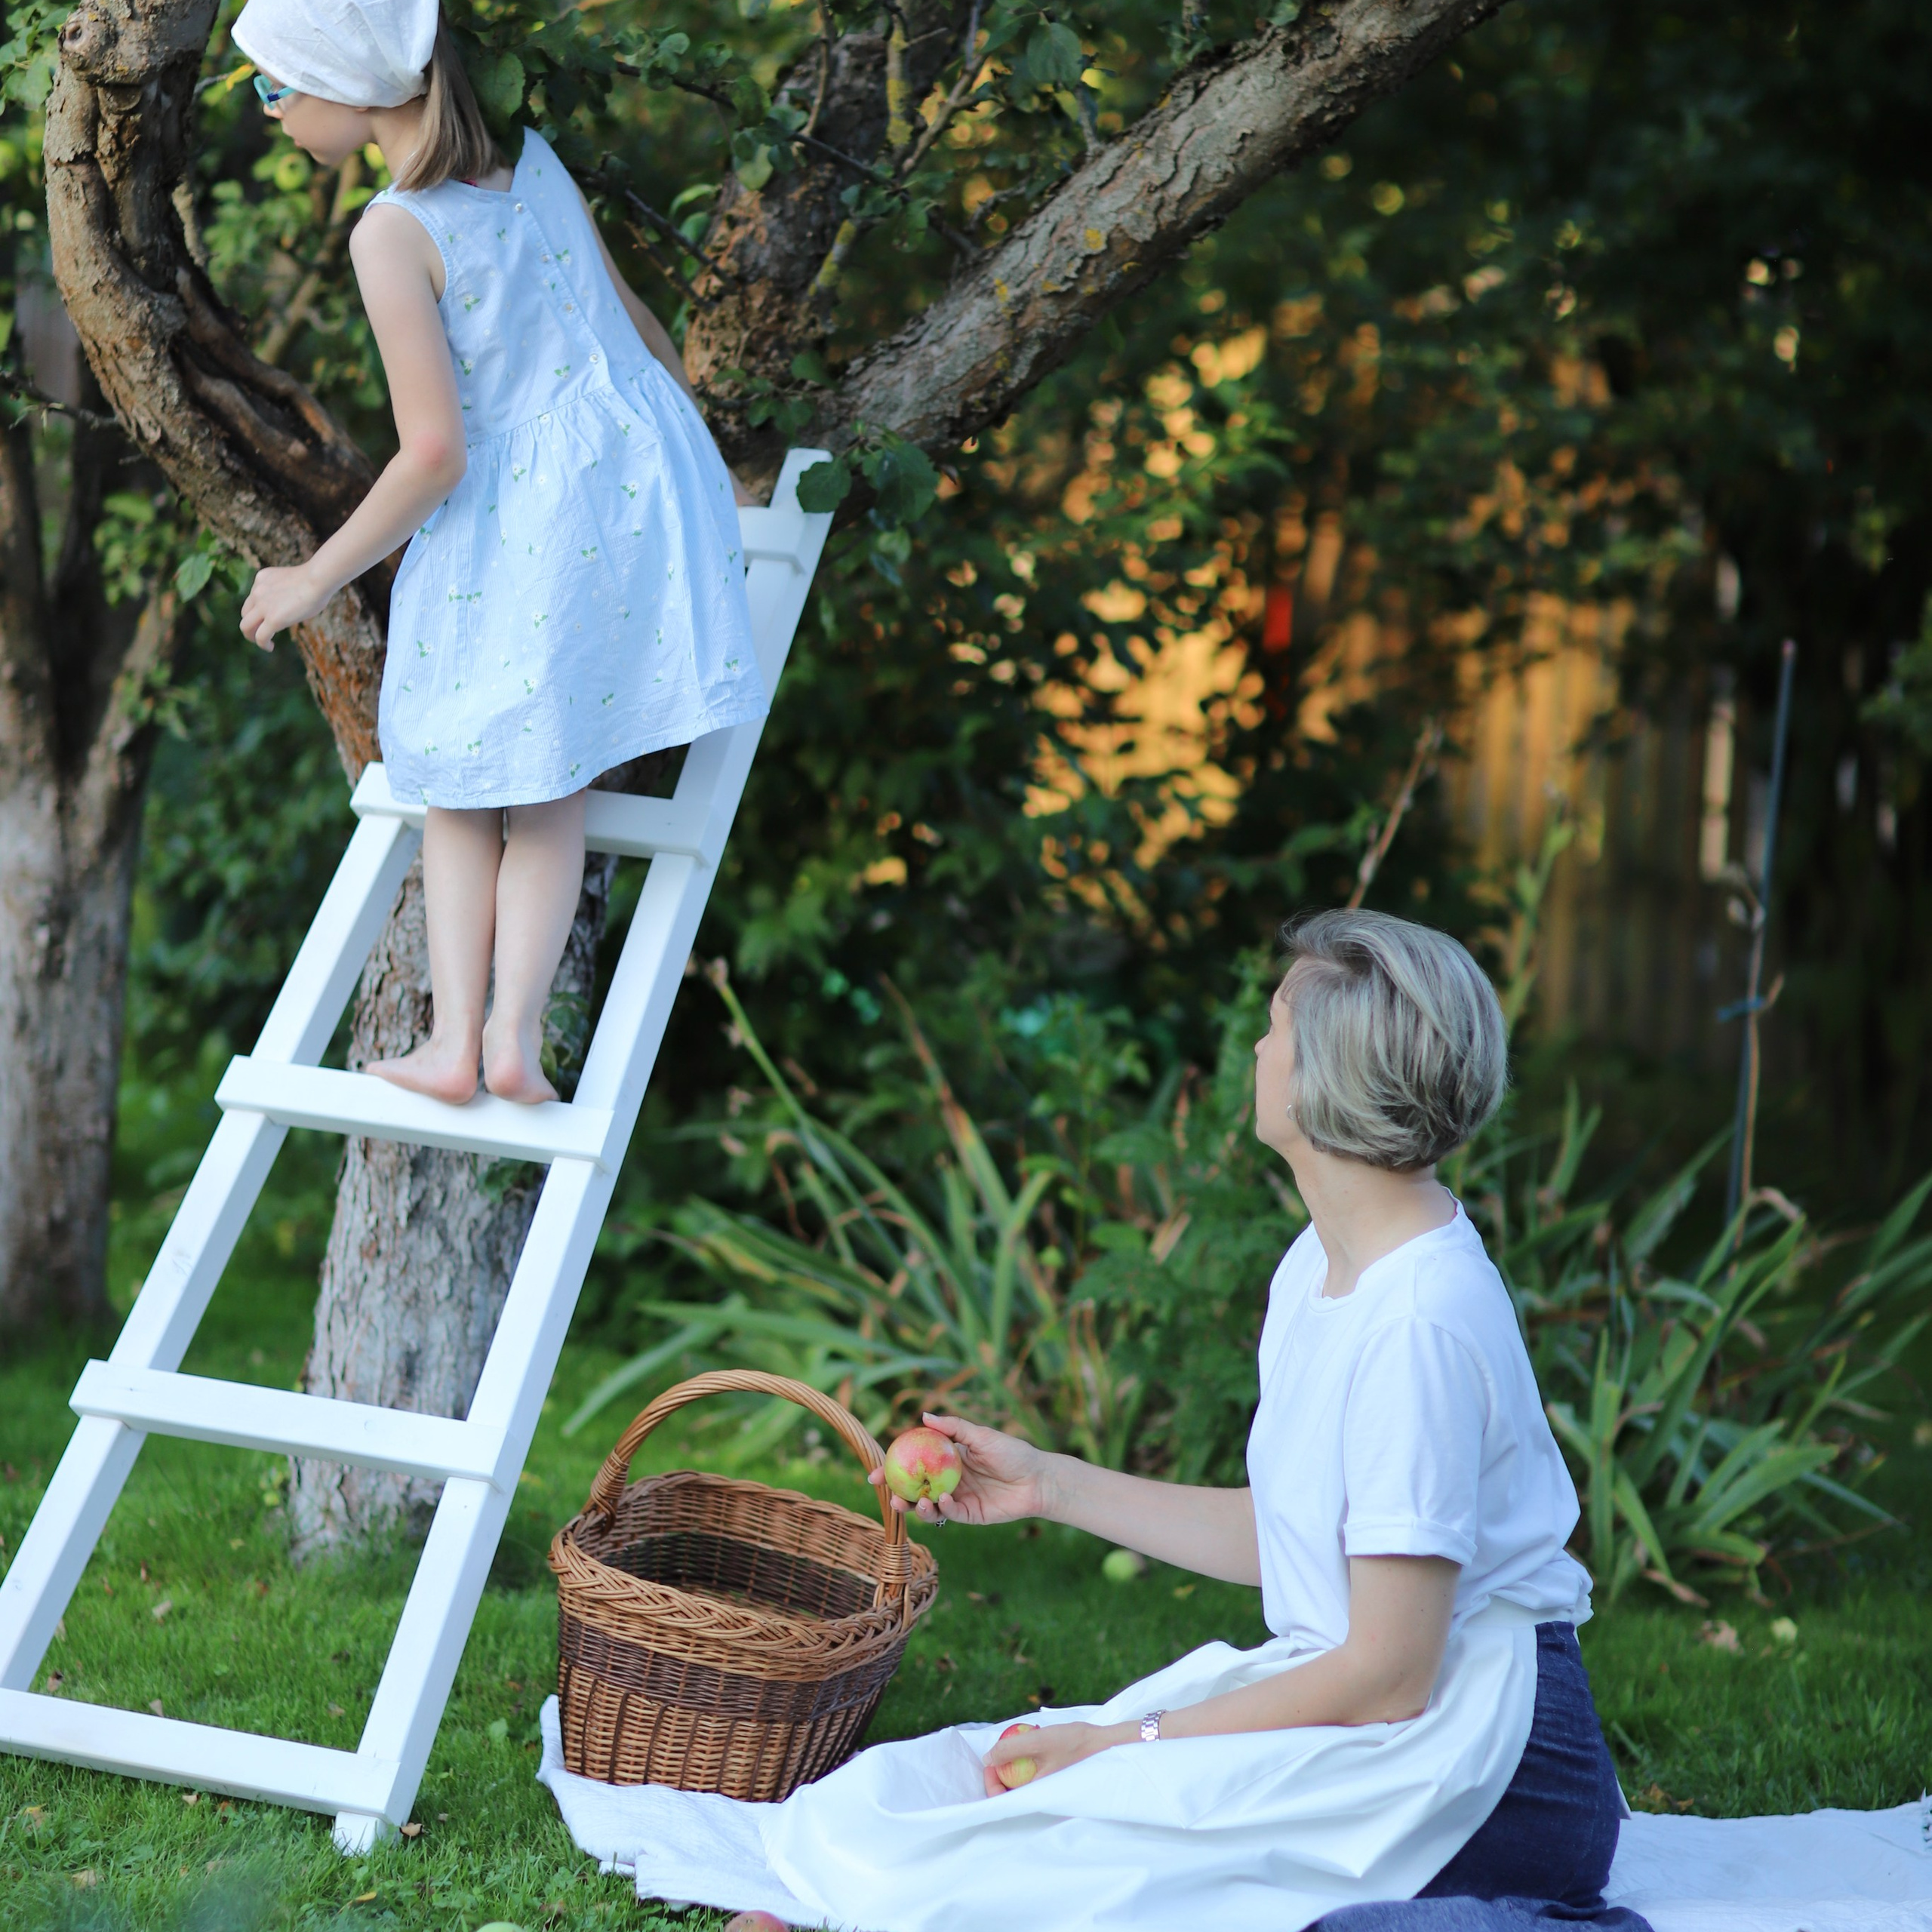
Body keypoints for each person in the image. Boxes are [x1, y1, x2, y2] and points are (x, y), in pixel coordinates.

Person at [737, 909, 1646, 1931]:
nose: (1257, 1049)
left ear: (1324, 1076)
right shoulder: (1323, 1265)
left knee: (1105, 1836)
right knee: (974, 1786)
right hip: (1376, 1709)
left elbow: (1392, 1675)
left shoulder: (1421, 1323)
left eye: (1274, 1026)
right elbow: (1300, 1534)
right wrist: (1051, 1483)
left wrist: (1138, 1746)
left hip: (1484, 1771)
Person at [230, 0, 763, 1105]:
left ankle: (454, 1039)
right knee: (550, 787)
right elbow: (637, 330)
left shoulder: (392, 230)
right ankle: (511, 1043)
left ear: (344, 88)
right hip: (623, 500)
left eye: (274, 88)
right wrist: (697, 484)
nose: (270, 113)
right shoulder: (532, 162)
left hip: (518, 533)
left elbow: (433, 454)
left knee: (458, 783)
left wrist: (311, 577)